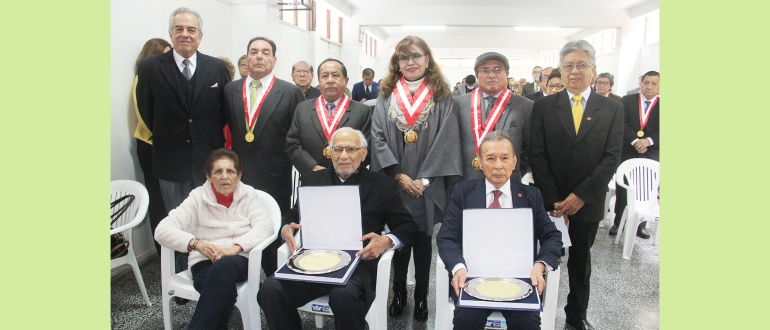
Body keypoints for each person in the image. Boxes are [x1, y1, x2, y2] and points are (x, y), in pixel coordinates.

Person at [258, 128, 419, 330]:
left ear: (363, 153)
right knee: (270, 290)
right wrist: (286, 228)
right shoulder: (313, 180)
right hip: (312, 262)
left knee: (343, 296)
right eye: (338, 149)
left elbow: (409, 227)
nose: (343, 156)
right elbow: (294, 214)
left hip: (358, 264)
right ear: (330, 153)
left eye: (351, 149)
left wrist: (386, 241)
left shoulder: (381, 185)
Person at [529, 40, 623, 330]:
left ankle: (576, 316)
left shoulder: (612, 108)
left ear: (593, 70)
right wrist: (556, 199)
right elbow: (537, 154)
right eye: (568, 65)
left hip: (589, 200)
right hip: (551, 203)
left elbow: (612, 157)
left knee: (581, 264)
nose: (574, 71)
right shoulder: (544, 106)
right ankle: (536, 312)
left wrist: (580, 196)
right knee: (543, 259)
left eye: (581, 65)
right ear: (561, 69)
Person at [370, 35, 462, 321]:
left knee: (423, 239)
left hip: (426, 184)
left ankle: (421, 295)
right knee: (398, 237)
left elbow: (446, 141)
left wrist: (423, 180)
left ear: (427, 60)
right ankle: (399, 292)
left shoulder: (442, 97)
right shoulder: (386, 96)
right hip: (396, 181)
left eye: (416, 56)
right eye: (404, 57)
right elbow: (378, 137)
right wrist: (398, 175)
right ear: (397, 63)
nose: (410, 62)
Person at [136, 7, 232, 276]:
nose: (185, 34)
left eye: (191, 30)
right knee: (177, 221)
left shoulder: (217, 67)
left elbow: (223, 110)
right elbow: (146, 110)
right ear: (171, 34)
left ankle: (210, 270)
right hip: (170, 160)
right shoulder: (150, 67)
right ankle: (179, 275)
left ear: (200, 36)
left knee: (210, 218)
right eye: (179, 29)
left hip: (207, 160)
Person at [436, 131, 562, 330]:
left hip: (521, 280)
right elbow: (446, 237)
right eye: (490, 159)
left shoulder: (531, 196)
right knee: (466, 320)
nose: (498, 166)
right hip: (472, 277)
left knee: (527, 324)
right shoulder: (463, 193)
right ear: (479, 162)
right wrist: (458, 268)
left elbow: (552, 236)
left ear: (514, 161)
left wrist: (540, 265)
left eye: (504, 158)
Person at [155, 148, 275, 330]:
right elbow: (162, 230)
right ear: (209, 176)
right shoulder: (197, 197)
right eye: (218, 171)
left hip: (239, 260)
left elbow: (265, 226)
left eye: (230, 171)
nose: (224, 176)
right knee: (221, 288)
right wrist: (196, 244)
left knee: (221, 272)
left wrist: (235, 248)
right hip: (204, 261)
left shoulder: (248, 195)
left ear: (239, 175)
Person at [223, 36, 304, 277]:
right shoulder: (230, 90)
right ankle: (241, 275)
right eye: (254, 51)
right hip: (239, 175)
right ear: (247, 58)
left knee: (271, 229)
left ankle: (273, 278)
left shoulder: (290, 92)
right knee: (238, 228)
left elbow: (296, 136)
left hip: (275, 176)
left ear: (274, 59)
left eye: (265, 52)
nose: (259, 56)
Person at [455, 52, 533, 183]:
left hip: (508, 183)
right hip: (466, 183)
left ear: (507, 74)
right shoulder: (458, 104)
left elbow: (530, 149)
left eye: (497, 69)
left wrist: (512, 171)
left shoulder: (525, 106)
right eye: (485, 70)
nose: (491, 75)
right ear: (476, 76)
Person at [286, 58, 372, 177]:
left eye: (335, 75)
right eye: (325, 76)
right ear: (319, 80)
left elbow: (368, 148)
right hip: (312, 178)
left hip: (350, 179)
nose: (330, 80)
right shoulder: (302, 109)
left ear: (346, 81)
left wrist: (344, 169)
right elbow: (293, 144)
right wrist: (312, 167)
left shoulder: (362, 111)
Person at [132, 37, 171, 256]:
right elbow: (145, 116)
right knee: (158, 202)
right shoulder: (143, 77)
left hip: (163, 146)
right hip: (151, 146)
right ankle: (162, 253)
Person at [609, 71, 660, 239]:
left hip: (651, 153)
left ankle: (641, 225)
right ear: (641, 83)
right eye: (646, 82)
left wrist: (648, 141)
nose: (649, 86)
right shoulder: (628, 101)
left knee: (645, 190)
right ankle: (618, 222)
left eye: (654, 83)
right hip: (629, 151)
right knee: (625, 189)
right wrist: (635, 141)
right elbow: (621, 123)